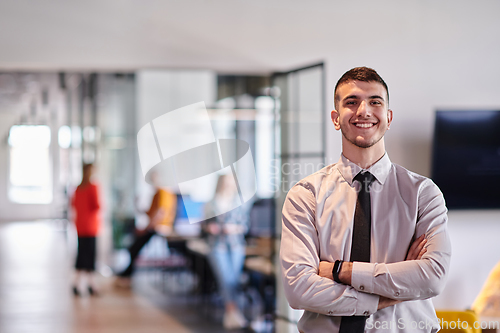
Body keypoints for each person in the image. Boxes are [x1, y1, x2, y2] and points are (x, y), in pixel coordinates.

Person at [280, 67, 451, 333]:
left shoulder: (423, 194)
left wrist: (339, 271)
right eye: (351, 102)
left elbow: (433, 279)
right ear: (336, 119)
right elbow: (299, 290)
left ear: (388, 117)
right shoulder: (306, 195)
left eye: (375, 101)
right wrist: (396, 289)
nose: (364, 110)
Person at [204, 174, 249, 330]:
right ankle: (233, 312)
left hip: (236, 246)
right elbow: (204, 225)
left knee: (234, 281)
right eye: (226, 182)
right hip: (217, 246)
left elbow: (245, 225)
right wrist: (210, 228)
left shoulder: (240, 202)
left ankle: (232, 314)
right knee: (225, 279)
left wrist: (232, 229)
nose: (228, 185)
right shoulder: (211, 203)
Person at [115, 173, 177, 286]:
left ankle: (127, 274)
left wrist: (144, 229)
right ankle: (127, 273)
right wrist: (137, 205)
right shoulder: (156, 194)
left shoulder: (164, 192)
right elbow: (150, 214)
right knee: (134, 245)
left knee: (136, 246)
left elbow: (160, 214)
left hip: (161, 227)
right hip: (154, 226)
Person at [71, 163, 101, 296]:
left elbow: (74, 205)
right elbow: (97, 206)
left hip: (80, 226)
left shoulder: (78, 188)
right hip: (90, 227)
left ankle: (81, 283)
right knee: (90, 256)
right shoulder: (93, 187)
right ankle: (90, 284)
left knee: (82, 254)